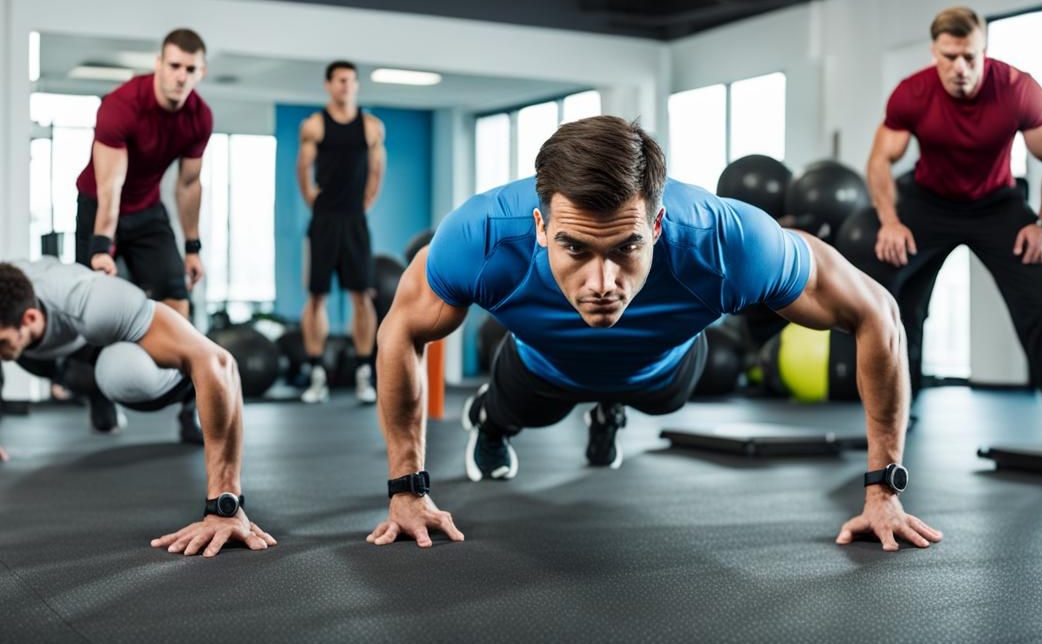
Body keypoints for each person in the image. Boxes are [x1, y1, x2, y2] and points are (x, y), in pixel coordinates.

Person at [369, 116, 942, 553]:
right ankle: (491, 425)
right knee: (518, 406)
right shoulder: (484, 236)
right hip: (543, 363)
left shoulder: (724, 242)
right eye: (576, 248)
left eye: (627, 247)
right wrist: (407, 488)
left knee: (663, 393)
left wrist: (883, 490)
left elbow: (879, 314)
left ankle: (610, 407)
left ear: (658, 224)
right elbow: (400, 331)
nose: (602, 282)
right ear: (541, 227)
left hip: (663, 369)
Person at [0, 258, 275, 557]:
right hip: (68, 354)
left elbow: (218, 361)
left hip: (111, 341)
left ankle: (186, 393)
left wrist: (224, 507)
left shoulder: (94, 301)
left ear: (30, 317)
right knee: (10, 351)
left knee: (121, 374)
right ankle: (92, 390)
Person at [863, 6, 1042, 441]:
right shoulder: (912, 93)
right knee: (892, 298)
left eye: (969, 57)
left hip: (996, 203)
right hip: (928, 202)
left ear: (984, 50)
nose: (959, 68)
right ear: (934, 52)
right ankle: (899, 412)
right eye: (948, 57)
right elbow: (879, 161)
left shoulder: (1018, 89)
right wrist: (889, 221)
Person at [72, 28, 213, 433]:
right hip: (98, 203)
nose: (180, 76)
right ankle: (99, 391)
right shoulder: (122, 106)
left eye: (190, 68)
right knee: (96, 310)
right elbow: (110, 186)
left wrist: (192, 246)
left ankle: (189, 405)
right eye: (173, 66)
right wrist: (102, 246)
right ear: (159, 64)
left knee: (178, 300)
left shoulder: (199, 117)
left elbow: (187, 185)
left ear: (201, 71)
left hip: (149, 208)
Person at [296, 60, 387, 405]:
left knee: (362, 295)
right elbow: (303, 168)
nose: (346, 86)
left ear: (356, 85)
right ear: (328, 85)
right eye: (340, 81)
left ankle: (364, 372)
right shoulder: (315, 125)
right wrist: (311, 199)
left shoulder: (371, 127)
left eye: (351, 81)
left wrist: (365, 203)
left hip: (354, 220)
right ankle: (317, 372)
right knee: (317, 296)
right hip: (323, 221)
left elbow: (378, 169)